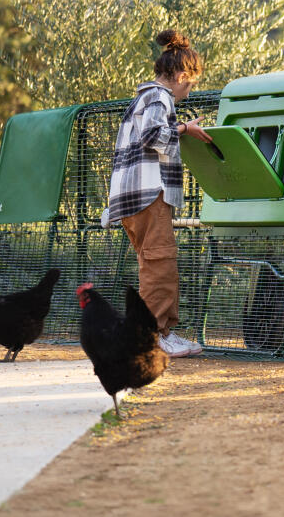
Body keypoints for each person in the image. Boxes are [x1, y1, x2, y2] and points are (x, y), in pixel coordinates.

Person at [103, 28, 211, 358]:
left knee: (151, 265)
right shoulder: (159, 98)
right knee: (161, 264)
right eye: (189, 84)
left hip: (132, 197)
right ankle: (155, 336)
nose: (189, 93)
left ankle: (154, 333)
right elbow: (153, 135)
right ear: (180, 76)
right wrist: (185, 128)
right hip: (149, 194)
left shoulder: (144, 97)